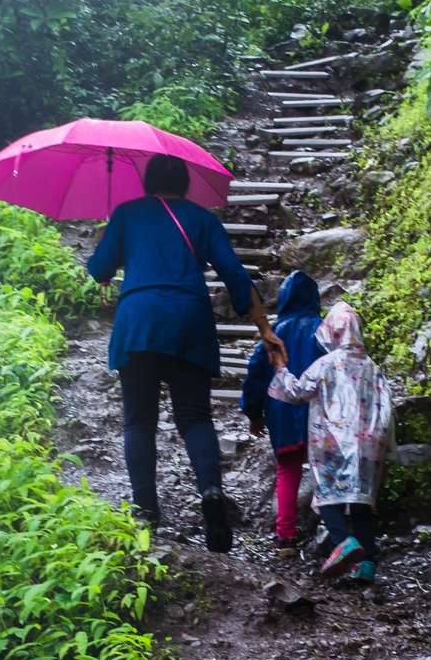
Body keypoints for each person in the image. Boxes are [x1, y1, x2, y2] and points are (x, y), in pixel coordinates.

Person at [88, 154, 286, 552]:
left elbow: (97, 269)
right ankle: (211, 493)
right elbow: (234, 273)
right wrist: (264, 328)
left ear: (146, 182)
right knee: (195, 417)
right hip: (189, 321)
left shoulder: (126, 213)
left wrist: (107, 247)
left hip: (139, 321)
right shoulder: (202, 219)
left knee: (138, 421)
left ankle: (146, 510)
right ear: (184, 184)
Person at [266, 302, 395, 580]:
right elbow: (386, 409)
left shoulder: (325, 364)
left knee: (328, 496)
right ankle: (367, 563)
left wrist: (280, 369)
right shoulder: (373, 369)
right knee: (361, 502)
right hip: (367, 444)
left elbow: (297, 392)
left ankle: (342, 541)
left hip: (331, 443)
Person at [239, 270, 327, 559]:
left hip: (283, 415)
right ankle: (334, 533)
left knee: (288, 471)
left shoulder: (274, 335)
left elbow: (256, 375)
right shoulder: (324, 330)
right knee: (325, 471)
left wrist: (254, 413)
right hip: (320, 415)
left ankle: (285, 538)